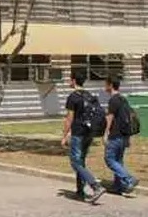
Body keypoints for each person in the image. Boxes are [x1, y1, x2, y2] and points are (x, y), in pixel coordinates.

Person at [62, 72, 106, 203]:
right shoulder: (89, 95)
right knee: (80, 161)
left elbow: (69, 118)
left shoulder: (73, 97)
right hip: (89, 132)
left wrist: (64, 135)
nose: (69, 82)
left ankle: (95, 186)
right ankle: (80, 190)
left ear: (74, 81)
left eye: (70, 80)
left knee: (75, 162)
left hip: (78, 133)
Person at [104, 77, 139, 196]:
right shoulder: (123, 99)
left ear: (110, 85)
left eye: (106, 84)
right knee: (118, 160)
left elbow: (110, 117)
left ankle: (129, 179)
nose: (104, 86)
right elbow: (128, 119)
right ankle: (118, 186)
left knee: (109, 159)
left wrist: (105, 133)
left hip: (115, 135)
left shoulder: (113, 100)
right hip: (124, 136)